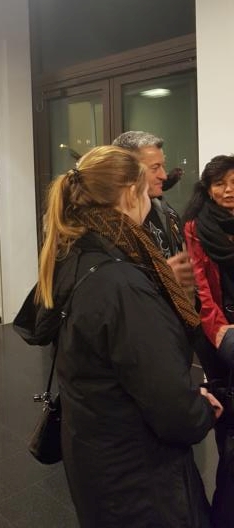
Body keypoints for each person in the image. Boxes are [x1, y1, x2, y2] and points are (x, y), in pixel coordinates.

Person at [36, 145, 221, 527]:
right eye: (145, 184)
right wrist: (202, 409)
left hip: (98, 456)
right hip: (139, 478)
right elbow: (174, 411)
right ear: (128, 195)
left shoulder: (77, 254)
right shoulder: (122, 283)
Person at [112, 131, 194, 291]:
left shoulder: (165, 210)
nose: (164, 175)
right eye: (155, 168)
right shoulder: (110, 224)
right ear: (126, 171)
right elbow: (112, 290)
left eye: (163, 166)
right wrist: (163, 279)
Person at [183, 155, 234, 370]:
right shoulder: (196, 227)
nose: (229, 190)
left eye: (233, 182)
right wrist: (218, 328)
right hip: (217, 317)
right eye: (219, 184)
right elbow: (200, 283)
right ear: (209, 191)